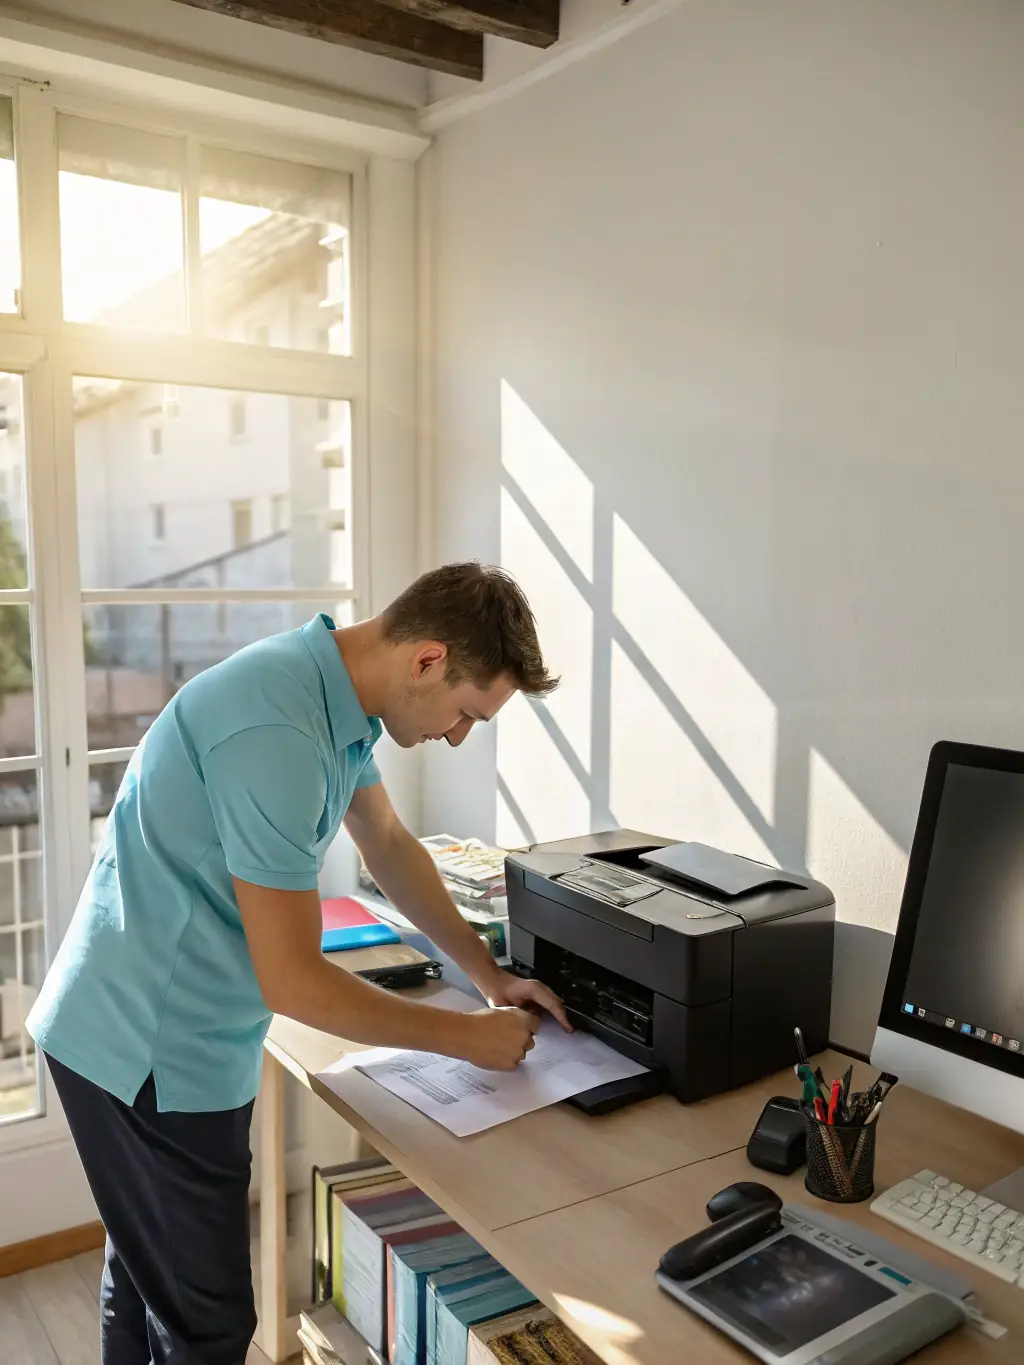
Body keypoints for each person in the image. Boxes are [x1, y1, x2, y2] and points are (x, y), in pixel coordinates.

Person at [27, 562, 567, 1365]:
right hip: (147, 1048)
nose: (459, 735)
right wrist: (465, 1039)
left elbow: (386, 840)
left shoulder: (327, 694)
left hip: (166, 1026)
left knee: (145, 1285)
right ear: (426, 659)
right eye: (468, 713)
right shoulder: (275, 727)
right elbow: (292, 979)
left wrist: (486, 973)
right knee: (205, 1327)